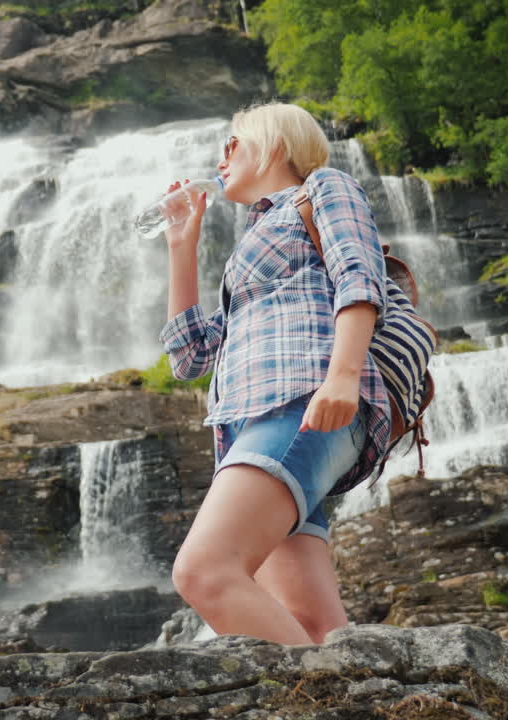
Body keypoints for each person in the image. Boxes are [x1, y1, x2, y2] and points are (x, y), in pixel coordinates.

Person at [159, 102, 392, 645]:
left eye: (233, 143)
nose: (223, 157)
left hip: (299, 406)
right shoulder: (252, 243)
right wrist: (181, 248)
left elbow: (359, 274)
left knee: (203, 571)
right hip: (246, 424)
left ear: (275, 145)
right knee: (313, 624)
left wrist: (343, 376)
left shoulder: (323, 190)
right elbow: (190, 356)